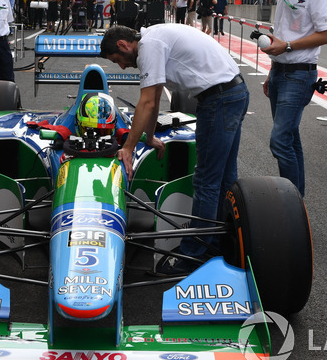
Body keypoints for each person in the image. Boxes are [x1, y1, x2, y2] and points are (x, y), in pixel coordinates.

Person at [99, 24, 248, 276]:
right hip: (233, 92)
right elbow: (155, 98)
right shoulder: (153, 37)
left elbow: (146, 102)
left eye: (118, 60)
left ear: (124, 45)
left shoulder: (149, 46)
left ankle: (193, 256)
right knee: (224, 179)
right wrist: (149, 137)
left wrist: (127, 147)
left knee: (206, 181)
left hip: (219, 99)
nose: (123, 66)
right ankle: (220, 245)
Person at [261, 0, 327, 197]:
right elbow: (281, 35)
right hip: (281, 72)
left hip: (300, 74)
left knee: (280, 140)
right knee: (290, 139)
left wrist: (288, 47)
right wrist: (272, 71)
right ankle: (297, 202)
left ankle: (291, 203)